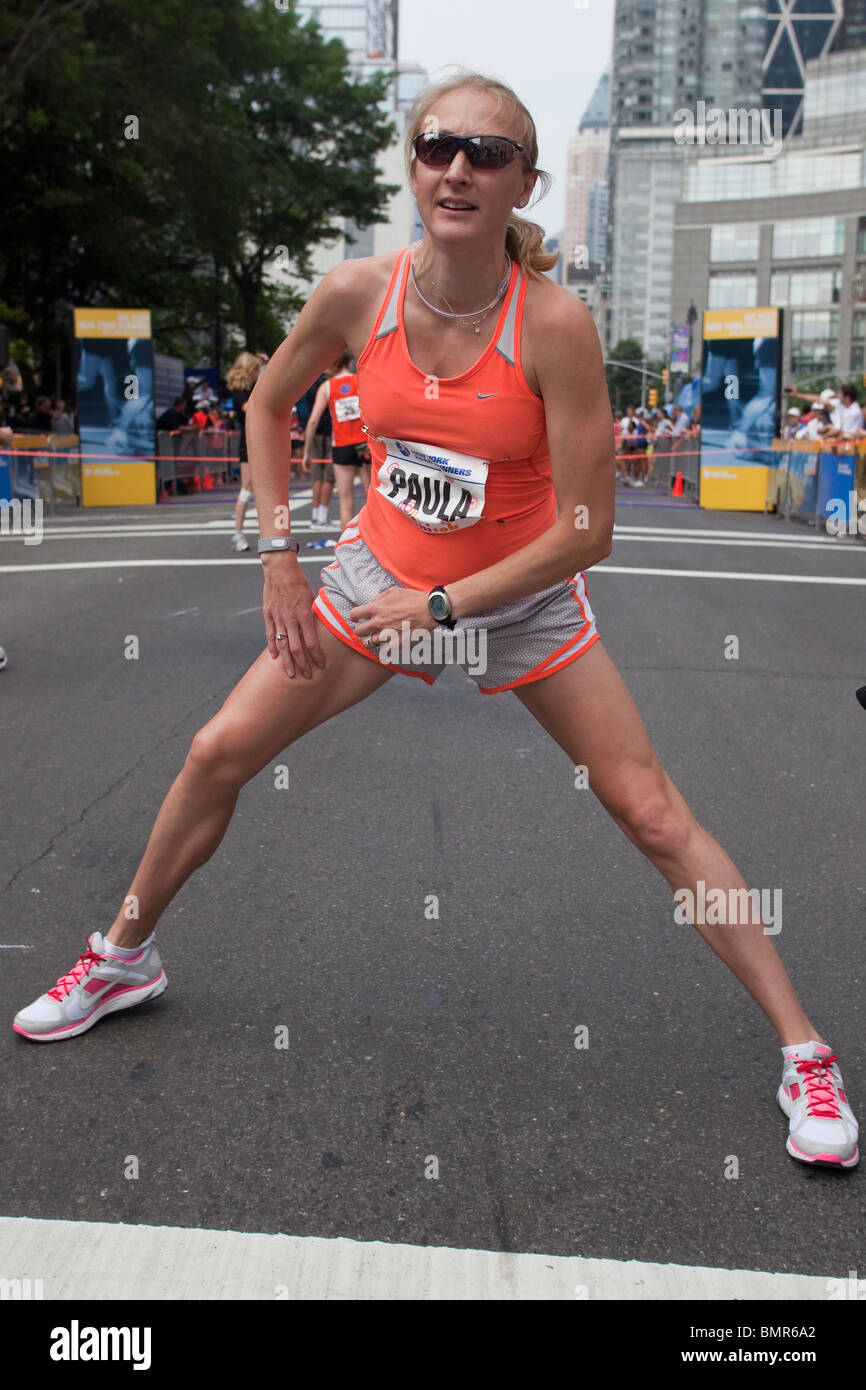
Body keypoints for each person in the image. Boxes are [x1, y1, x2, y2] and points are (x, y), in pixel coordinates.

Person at [12, 70, 858, 1173]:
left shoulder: (554, 325)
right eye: (437, 145)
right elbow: (269, 406)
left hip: (516, 594)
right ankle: (123, 954)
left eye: (488, 153)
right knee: (218, 750)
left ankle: (803, 1052)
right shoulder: (356, 293)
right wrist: (279, 557)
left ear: (523, 184)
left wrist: (451, 604)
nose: (458, 167)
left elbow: (588, 528)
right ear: (414, 166)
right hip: (379, 581)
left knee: (650, 813)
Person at [302, 351, 371, 532]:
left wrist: (306, 451)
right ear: (349, 363)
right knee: (372, 500)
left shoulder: (327, 387)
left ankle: (346, 551)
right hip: (365, 444)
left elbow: (313, 421)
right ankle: (378, 548)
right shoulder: (360, 380)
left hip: (341, 446)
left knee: (345, 502)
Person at [225, 352, 264, 551]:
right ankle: (238, 532)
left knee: (258, 488)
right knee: (247, 487)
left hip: (257, 439)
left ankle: (258, 533)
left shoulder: (248, 387)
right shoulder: (240, 390)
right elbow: (251, 408)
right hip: (248, 440)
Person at [296, 373, 335, 528]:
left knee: (317, 477)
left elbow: (310, 419)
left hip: (312, 432)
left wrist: (306, 449)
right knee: (329, 477)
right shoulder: (327, 383)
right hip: (329, 432)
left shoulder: (307, 381)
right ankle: (322, 515)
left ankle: (316, 515)